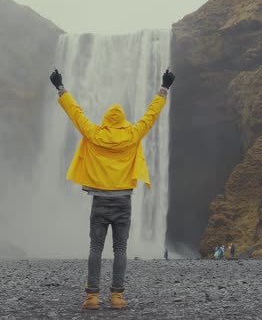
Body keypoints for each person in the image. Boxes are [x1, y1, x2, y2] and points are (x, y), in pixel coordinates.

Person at [49, 68, 175, 310]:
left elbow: (76, 114)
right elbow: (151, 115)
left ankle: (92, 297)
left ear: (107, 120)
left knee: (95, 248)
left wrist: (60, 87)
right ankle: (117, 297)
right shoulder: (132, 135)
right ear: (123, 121)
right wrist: (164, 87)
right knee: (121, 249)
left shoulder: (95, 134)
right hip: (123, 202)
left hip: (100, 201)